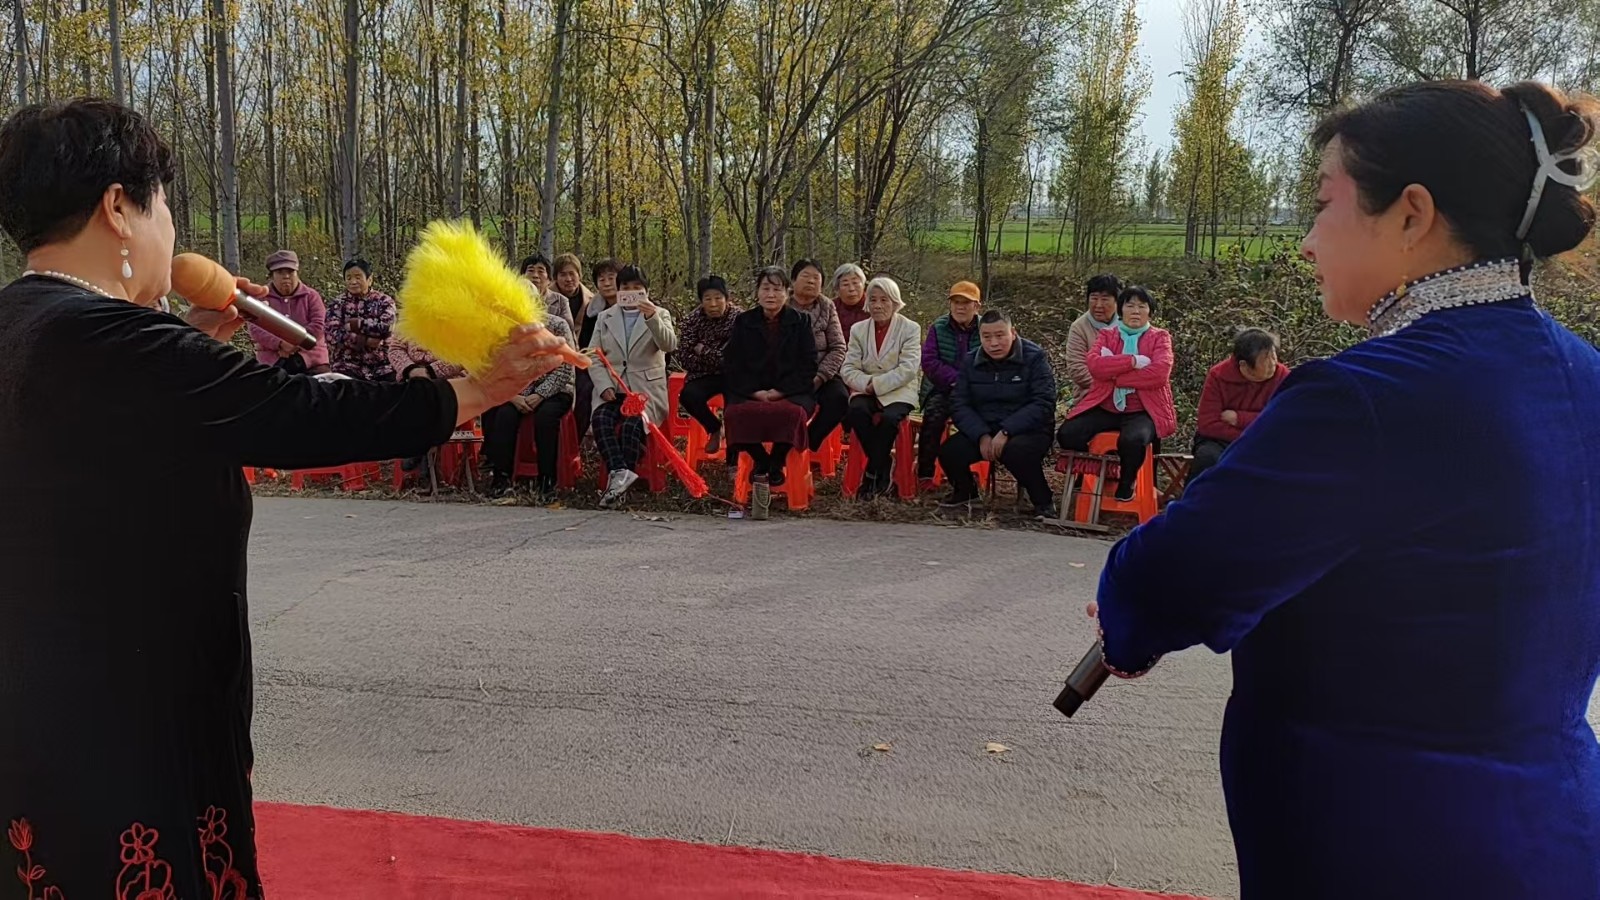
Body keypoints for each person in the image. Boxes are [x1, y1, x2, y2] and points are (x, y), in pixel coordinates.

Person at [0, 98, 567, 895]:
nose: (171, 229)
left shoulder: (32, 328)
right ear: (118, 208)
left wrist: (190, 343)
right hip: (128, 712)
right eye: (163, 206)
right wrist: (477, 390)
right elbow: (302, 414)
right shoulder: (118, 342)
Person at [1086, 80, 1600, 898]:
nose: (1306, 243)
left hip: (1386, 834)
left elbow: (1176, 575)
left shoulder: (1368, 395)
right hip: (1562, 826)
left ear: (1411, 214)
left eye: (1324, 205)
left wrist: (1127, 626)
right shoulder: (1586, 375)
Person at [1056, 286, 1176, 502]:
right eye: (1130, 306)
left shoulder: (1160, 337)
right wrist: (1133, 361)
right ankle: (1093, 475)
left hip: (1142, 409)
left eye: (1142, 306)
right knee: (1068, 433)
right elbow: (1095, 366)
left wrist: (1116, 376)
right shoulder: (1108, 335)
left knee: (1133, 440)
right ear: (1121, 310)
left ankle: (1126, 482)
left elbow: (1159, 373)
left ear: (1150, 311)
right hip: (1107, 405)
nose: (1136, 311)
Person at [939, 309, 1056, 517]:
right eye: (987, 337)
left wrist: (1007, 431)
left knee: (1016, 452)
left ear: (1013, 333)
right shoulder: (970, 361)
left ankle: (1043, 501)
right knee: (950, 452)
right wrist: (981, 435)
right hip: (985, 426)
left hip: (1028, 429)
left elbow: (1043, 402)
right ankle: (966, 492)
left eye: (1000, 335)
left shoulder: (1034, 357)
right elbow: (959, 403)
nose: (994, 343)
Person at [723, 266, 817, 520]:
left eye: (777, 289)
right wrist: (756, 392)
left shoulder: (801, 322)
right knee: (735, 413)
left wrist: (779, 392)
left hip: (790, 389)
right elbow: (733, 363)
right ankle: (762, 460)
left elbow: (808, 365)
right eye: (766, 288)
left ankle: (776, 460)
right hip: (751, 389)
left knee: (793, 414)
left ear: (787, 293)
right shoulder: (744, 321)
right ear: (757, 292)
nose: (771, 295)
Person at [585, 264, 677, 508]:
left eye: (637, 288)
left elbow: (669, 345)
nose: (631, 292)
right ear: (618, 290)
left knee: (631, 426)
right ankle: (620, 474)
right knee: (601, 419)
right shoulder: (605, 317)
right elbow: (594, 355)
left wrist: (652, 318)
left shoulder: (659, 314)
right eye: (626, 287)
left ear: (646, 291)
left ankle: (617, 487)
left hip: (645, 393)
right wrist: (603, 385)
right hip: (613, 389)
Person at [840, 276, 921, 498]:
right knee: (856, 411)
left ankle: (872, 474)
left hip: (898, 390)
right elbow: (848, 368)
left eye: (884, 300)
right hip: (865, 388)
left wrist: (877, 385)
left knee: (889, 419)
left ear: (895, 302)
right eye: (873, 299)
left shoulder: (910, 328)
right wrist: (866, 384)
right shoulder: (858, 329)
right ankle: (883, 465)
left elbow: (908, 368)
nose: (877, 305)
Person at [481, 316, 577, 499]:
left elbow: (565, 366)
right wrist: (513, 396)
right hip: (517, 391)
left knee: (546, 417)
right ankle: (501, 479)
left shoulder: (557, 325)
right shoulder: (505, 329)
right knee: (504, 415)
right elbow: (497, 367)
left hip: (556, 389)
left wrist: (540, 394)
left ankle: (547, 481)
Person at [1190, 328, 1288, 479]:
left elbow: (1281, 420)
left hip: (1265, 440)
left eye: (1273, 356)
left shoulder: (1283, 376)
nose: (1272, 364)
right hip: (1220, 440)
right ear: (1244, 365)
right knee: (1207, 458)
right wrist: (1247, 436)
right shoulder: (1219, 375)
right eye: (1265, 359)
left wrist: (1239, 418)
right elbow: (1207, 423)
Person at [916, 280, 983, 491]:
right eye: (956, 302)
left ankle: (967, 472)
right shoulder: (938, 327)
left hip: (977, 390)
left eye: (966, 303)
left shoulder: (986, 329)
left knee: (978, 421)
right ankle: (925, 474)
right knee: (933, 418)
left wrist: (970, 383)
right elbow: (929, 361)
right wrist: (954, 380)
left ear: (977, 306)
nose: (960, 307)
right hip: (943, 387)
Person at [788, 257, 848, 451]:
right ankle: (785, 446)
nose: (811, 281)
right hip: (790, 375)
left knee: (839, 399)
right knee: (791, 407)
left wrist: (820, 376)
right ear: (793, 280)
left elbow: (838, 347)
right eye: (805, 276)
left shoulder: (827, 306)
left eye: (816, 278)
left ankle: (808, 441)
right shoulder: (781, 305)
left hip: (822, 374)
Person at [677, 274, 741, 454]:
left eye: (718, 298)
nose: (713, 304)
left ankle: (733, 459)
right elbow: (685, 357)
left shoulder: (740, 319)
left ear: (727, 298)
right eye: (707, 299)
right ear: (701, 301)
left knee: (735, 407)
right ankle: (714, 428)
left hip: (734, 376)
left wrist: (703, 350)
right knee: (688, 396)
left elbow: (736, 359)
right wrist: (719, 357)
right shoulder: (692, 321)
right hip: (703, 375)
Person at [251, 248, 330, 375]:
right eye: (280, 272)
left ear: (297, 273)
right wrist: (280, 343)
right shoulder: (261, 297)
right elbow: (256, 328)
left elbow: (319, 324)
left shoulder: (311, 296)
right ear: (271, 275)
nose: (286, 276)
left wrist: (296, 343)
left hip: (312, 359)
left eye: (290, 271)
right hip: (272, 359)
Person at [325, 256, 397, 382]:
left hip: (382, 366)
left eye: (358, 277)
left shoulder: (384, 301)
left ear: (369, 279)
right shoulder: (337, 304)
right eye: (348, 278)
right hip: (347, 365)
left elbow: (386, 328)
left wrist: (357, 325)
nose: (353, 282)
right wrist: (364, 340)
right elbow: (332, 334)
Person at [574, 257, 621, 438]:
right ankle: (578, 439)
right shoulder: (592, 310)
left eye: (611, 278)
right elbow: (586, 347)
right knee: (583, 387)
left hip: (626, 366)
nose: (607, 283)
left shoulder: (638, 306)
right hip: (597, 364)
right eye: (601, 279)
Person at [1064, 274, 1121, 396]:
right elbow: (1077, 369)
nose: (1098, 305)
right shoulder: (1079, 327)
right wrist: (1111, 388)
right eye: (1094, 298)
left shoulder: (1129, 324)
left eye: (1105, 299)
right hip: (1092, 394)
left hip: (1128, 393)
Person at [521, 252, 574, 328]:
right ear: (522, 276)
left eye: (540, 271)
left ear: (549, 279)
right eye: (531, 270)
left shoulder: (561, 301)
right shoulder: (514, 299)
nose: (535, 275)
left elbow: (568, 330)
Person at [554, 252, 594, 325]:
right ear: (555, 277)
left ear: (579, 275)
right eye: (563, 275)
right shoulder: (545, 299)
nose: (568, 279)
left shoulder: (591, 300)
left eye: (572, 274)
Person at [831, 262, 870, 335]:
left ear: (863, 285)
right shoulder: (831, 308)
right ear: (837, 288)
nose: (851, 289)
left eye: (855, 283)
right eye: (845, 284)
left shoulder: (873, 305)